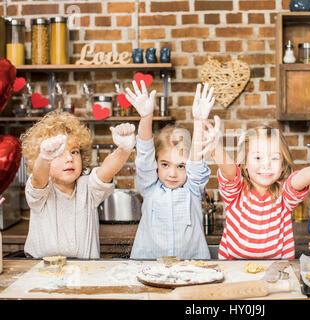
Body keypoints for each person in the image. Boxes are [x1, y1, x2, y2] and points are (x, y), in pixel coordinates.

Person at [201, 117, 310, 259]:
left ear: (283, 165)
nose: (266, 165)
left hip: (277, 269)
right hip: (234, 267)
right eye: (258, 157)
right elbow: (230, 172)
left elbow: (297, 181)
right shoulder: (236, 191)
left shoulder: (284, 195)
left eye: (274, 158)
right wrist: (216, 149)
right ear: (245, 163)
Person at [21, 111, 135, 259]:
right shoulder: (40, 192)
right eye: (58, 153)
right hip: (42, 271)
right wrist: (44, 158)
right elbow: (38, 179)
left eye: (74, 152)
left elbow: (106, 171)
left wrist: (123, 150)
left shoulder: (88, 188)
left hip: (86, 273)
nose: (69, 158)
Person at [128, 81, 214, 259]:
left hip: (192, 268)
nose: (172, 174)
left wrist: (199, 122)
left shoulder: (193, 190)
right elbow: (144, 155)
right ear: (156, 163)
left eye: (181, 166)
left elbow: (197, 164)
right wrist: (146, 118)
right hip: (148, 266)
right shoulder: (149, 188)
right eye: (165, 164)